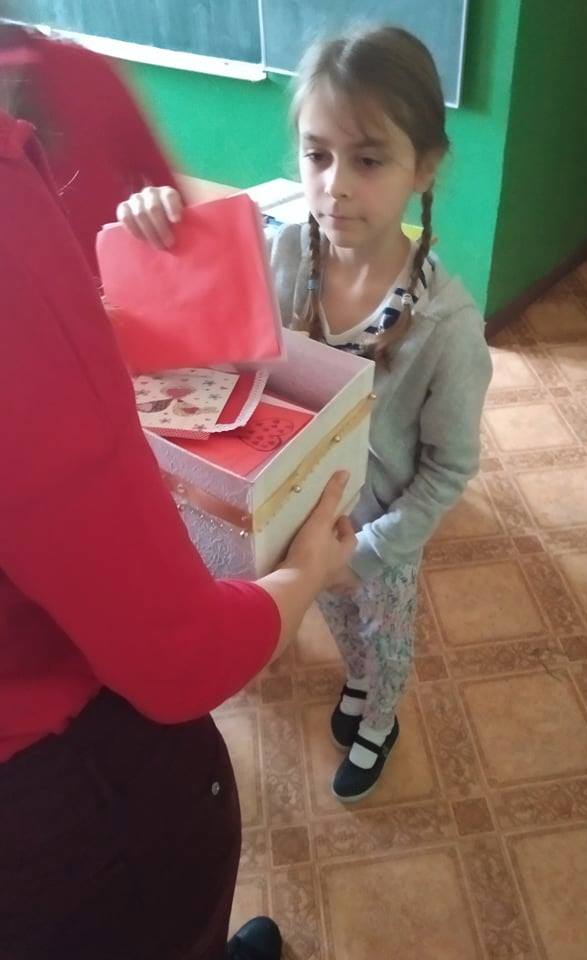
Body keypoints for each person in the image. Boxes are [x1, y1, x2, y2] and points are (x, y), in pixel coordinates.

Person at [0, 109, 355, 959]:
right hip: (56, 788)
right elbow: (179, 657)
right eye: (316, 155)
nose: (339, 184)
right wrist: (301, 576)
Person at [118, 26, 493, 803]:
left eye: (368, 160)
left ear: (424, 166)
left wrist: (371, 553)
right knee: (339, 622)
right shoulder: (285, 253)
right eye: (317, 155)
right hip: (300, 512)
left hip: (378, 538)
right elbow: (199, 312)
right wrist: (157, 225)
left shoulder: (447, 327)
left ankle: (379, 716)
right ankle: (357, 680)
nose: (335, 186)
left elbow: (449, 467)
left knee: (380, 639)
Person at [0, 21, 180, 274]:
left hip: (123, 283)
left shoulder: (82, 69)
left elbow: (171, 200)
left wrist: (153, 208)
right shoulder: (82, 67)